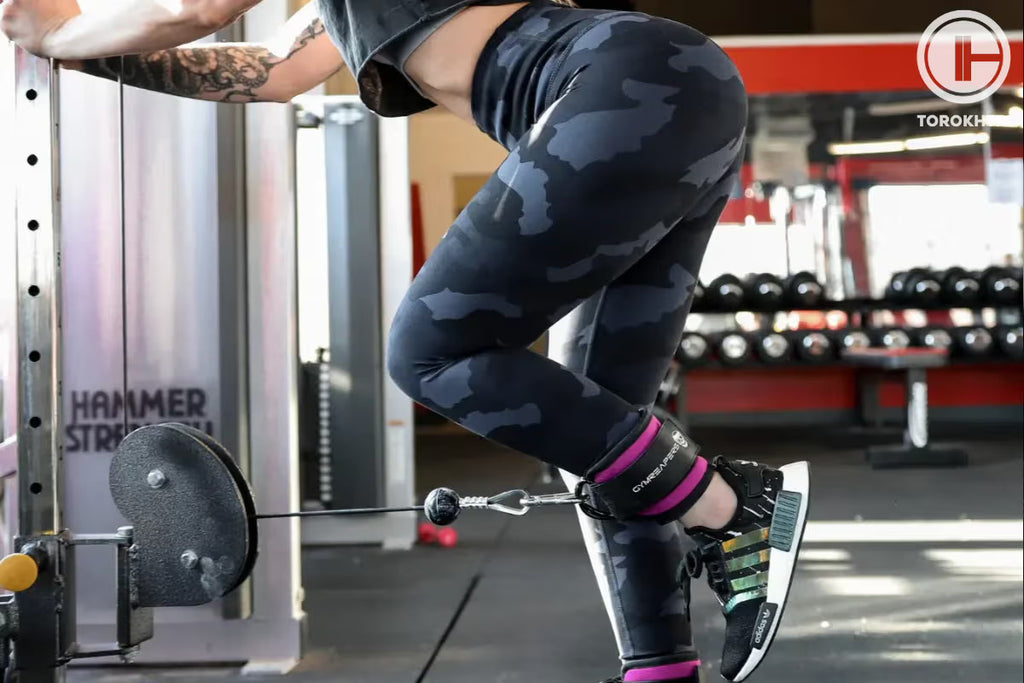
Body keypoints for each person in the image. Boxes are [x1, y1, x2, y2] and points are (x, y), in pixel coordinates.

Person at [1, 1, 810, 681]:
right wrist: (92, 58)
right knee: (602, 428)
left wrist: (59, 31)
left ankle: (736, 506)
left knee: (429, 348)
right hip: (678, 90)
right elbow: (274, 72)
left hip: (626, 87)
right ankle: (661, 668)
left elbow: (196, 11)